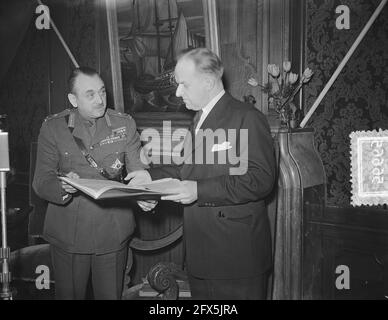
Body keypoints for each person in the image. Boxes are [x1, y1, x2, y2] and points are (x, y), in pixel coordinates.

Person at [126, 48, 276, 299]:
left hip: (236, 258)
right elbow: (186, 168)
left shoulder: (247, 117)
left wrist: (198, 190)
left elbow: (260, 179)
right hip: (201, 254)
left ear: (208, 82)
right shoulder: (199, 119)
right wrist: (148, 176)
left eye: (183, 84)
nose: (177, 92)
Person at [33, 67, 153, 299]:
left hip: (113, 230)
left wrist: (145, 193)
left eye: (102, 92)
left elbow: (139, 170)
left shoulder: (124, 124)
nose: (100, 100)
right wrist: (62, 186)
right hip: (69, 233)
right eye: (90, 94)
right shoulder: (54, 127)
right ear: (73, 99)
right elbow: (41, 181)